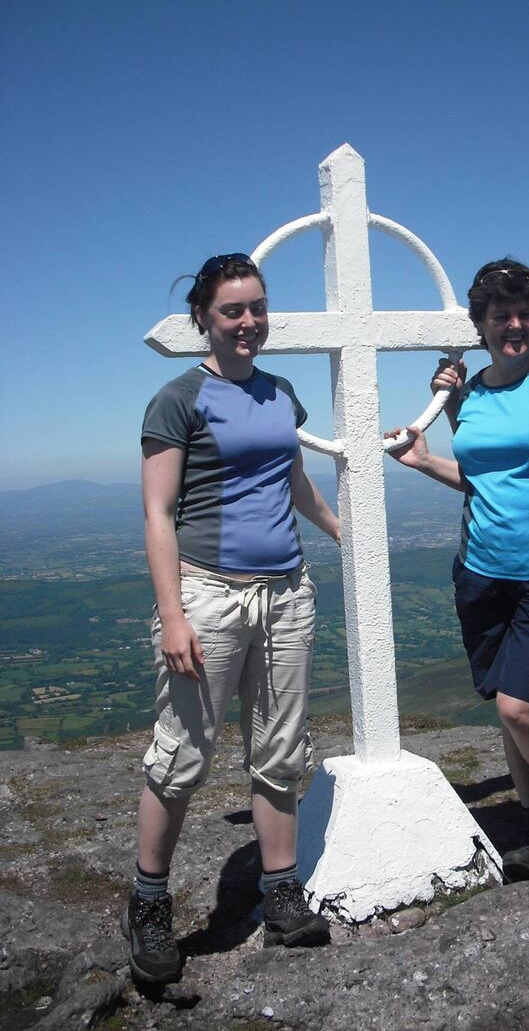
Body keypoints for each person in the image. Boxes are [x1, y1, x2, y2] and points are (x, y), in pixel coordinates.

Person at [124, 252, 340, 985]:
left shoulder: (282, 394)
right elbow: (157, 513)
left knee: (282, 750)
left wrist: (342, 529)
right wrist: (173, 614)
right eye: (231, 311)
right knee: (182, 756)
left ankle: (280, 894)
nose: (248, 322)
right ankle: (149, 905)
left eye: (257, 307)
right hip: (208, 592)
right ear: (203, 320)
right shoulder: (178, 399)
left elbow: (291, 478)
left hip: (285, 593)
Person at [390, 258, 529, 889]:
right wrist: (424, 460)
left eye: (525, 314)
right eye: (500, 315)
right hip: (481, 573)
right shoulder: (464, 393)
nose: (514, 325)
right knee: (507, 701)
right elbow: (482, 481)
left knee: (518, 707)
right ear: (480, 323)